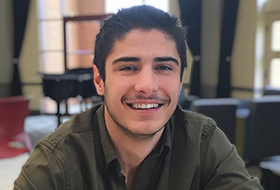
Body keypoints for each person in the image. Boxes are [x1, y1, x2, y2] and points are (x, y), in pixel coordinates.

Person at [14, 5, 263, 190]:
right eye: (128, 67)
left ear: (179, 81)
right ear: (99, 80)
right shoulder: (54, 164)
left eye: (164, 67)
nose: (147, 86)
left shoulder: (203, 140)